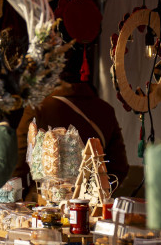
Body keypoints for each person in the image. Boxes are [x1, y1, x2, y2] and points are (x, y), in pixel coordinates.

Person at [16, 55, 131, 188]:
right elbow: (119, 168)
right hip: (89, 204)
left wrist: (22, 199)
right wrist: (96, 193)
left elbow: (18, 161)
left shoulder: (38, 108)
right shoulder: (106, 110)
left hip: (44, 203)